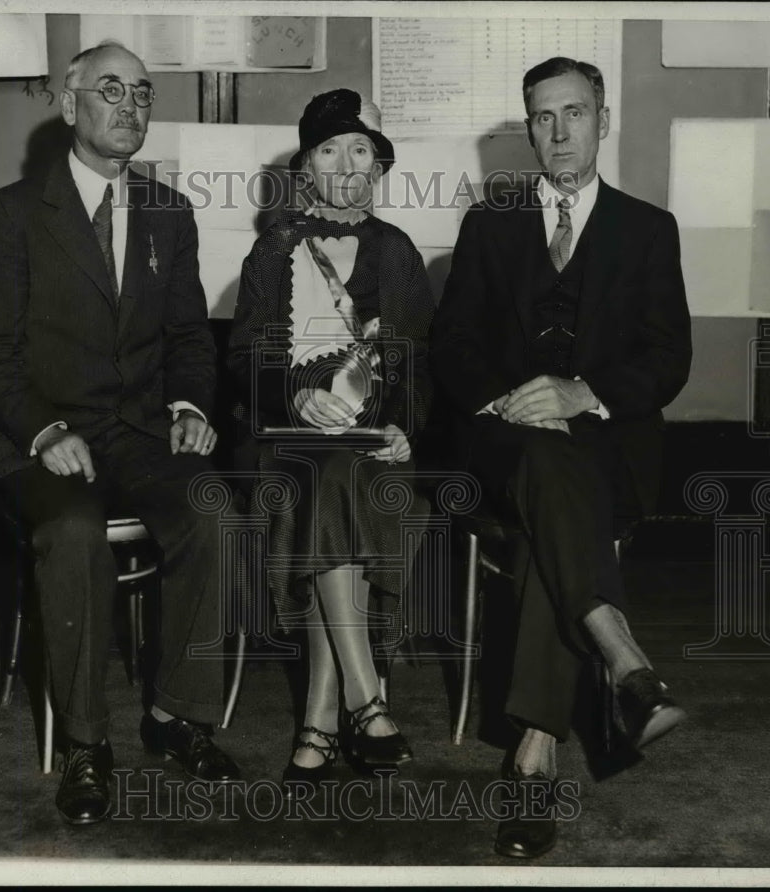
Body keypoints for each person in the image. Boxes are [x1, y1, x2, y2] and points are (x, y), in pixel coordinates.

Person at [0, 41, 241, 826]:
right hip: (36, 440)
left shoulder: (168, 212)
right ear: (69, 101)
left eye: (143, 94)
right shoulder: (10, 216)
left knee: (214, 511)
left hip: (139, 434)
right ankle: (87, 742)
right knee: (78, 530)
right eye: (111, 90)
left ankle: (175, 716)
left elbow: (189, 338)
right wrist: (44, 429)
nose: (130, 107)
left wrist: (188, 408)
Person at [431, 57, 692, 858]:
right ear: (529, 131)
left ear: (603, 121)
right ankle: (618, 657)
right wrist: (514, 403)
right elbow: (453, 348)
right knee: (545, 465)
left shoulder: (648, 228)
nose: (558, 132)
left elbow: (667, 358)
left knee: (559, 484)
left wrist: (580, 395)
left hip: (607, 446)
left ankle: (534, 750)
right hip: (503, 444)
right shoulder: (490, 225)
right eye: (542, 119)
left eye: (574, 113)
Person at [227, 89, 435, 792]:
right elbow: (241, 360)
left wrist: (408, 426)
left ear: (377, 166)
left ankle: (321, 717)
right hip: (290, 440)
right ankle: (366, 698)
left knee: (338, 482)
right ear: (307, 167)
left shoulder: (399, 253)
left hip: (375, 447)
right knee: (320, 478)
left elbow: (422, 363)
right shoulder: (273, 251)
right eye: (328, 149)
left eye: (360, 149)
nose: (346, 164)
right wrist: (295, 394)